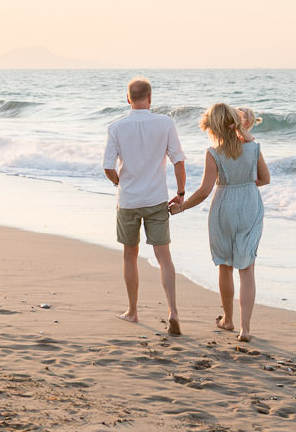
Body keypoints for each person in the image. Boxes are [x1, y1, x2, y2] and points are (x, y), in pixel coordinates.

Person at [170, 104, 269, 341]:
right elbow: (265, 179)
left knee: (225, 265)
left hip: (223, 206)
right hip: (249, 205)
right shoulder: (253, 148)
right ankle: (245, 329)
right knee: (247, 269)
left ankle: (228, 320)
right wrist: (245, 185)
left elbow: (204, 191)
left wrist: (180, 207)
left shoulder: (213, 153)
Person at [103, 77, 187, 335]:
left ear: (128, 99)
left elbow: (108, 167)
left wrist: (121, 183)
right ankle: (172, 311)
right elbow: (179, 162)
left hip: (128, 201)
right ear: (150, 98)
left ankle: (133, 311)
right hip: (156, 199)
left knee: (130, 254)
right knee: (164, 258)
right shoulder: (166, 123)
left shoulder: (116, 127)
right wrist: (181, 194)